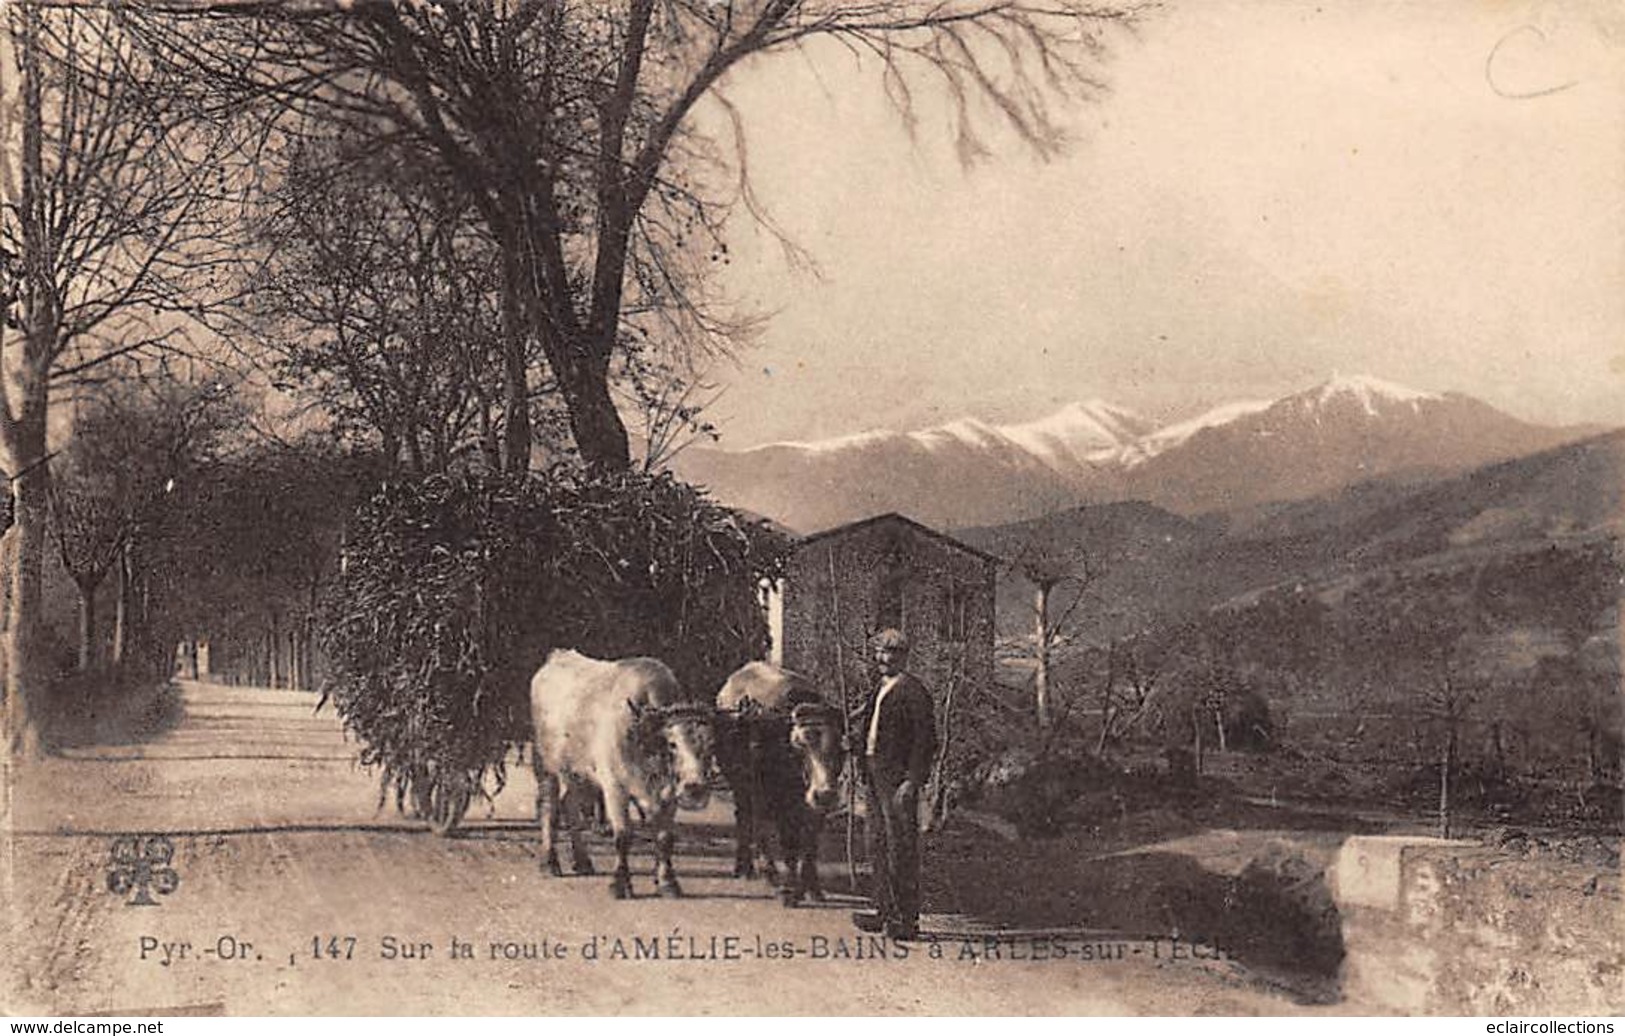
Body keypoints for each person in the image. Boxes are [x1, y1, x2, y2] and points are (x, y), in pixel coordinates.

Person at [850, 628, 936, 940]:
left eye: (890, 654)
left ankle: (906, 919)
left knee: (900, 844)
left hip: (897, 778)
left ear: (903, 657)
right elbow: (871, 729)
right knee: (876, 841)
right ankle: (883, 910)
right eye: (879, 654)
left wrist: (912, 781)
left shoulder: (914, 692)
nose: (883, 660)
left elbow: (925, 741)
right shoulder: (879, 689)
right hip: (873, 772)